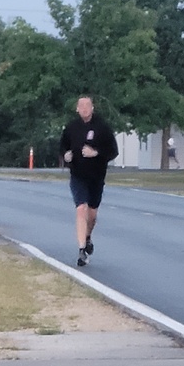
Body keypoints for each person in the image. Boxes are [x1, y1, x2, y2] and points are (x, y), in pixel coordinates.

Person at [59, 95, 119, 267]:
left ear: (92, 108)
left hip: (96, 176)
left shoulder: (102, 127)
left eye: (88, 105)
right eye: (81, 106)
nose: (84, 108)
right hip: (78, 175)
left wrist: (96, 152)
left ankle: (87, 237)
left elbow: (113, 151)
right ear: (77, 109)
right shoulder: (72, 127)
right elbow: (62, 146)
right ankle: (81, 250)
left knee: (91, 215)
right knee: (81, 209)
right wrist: (65, 155)